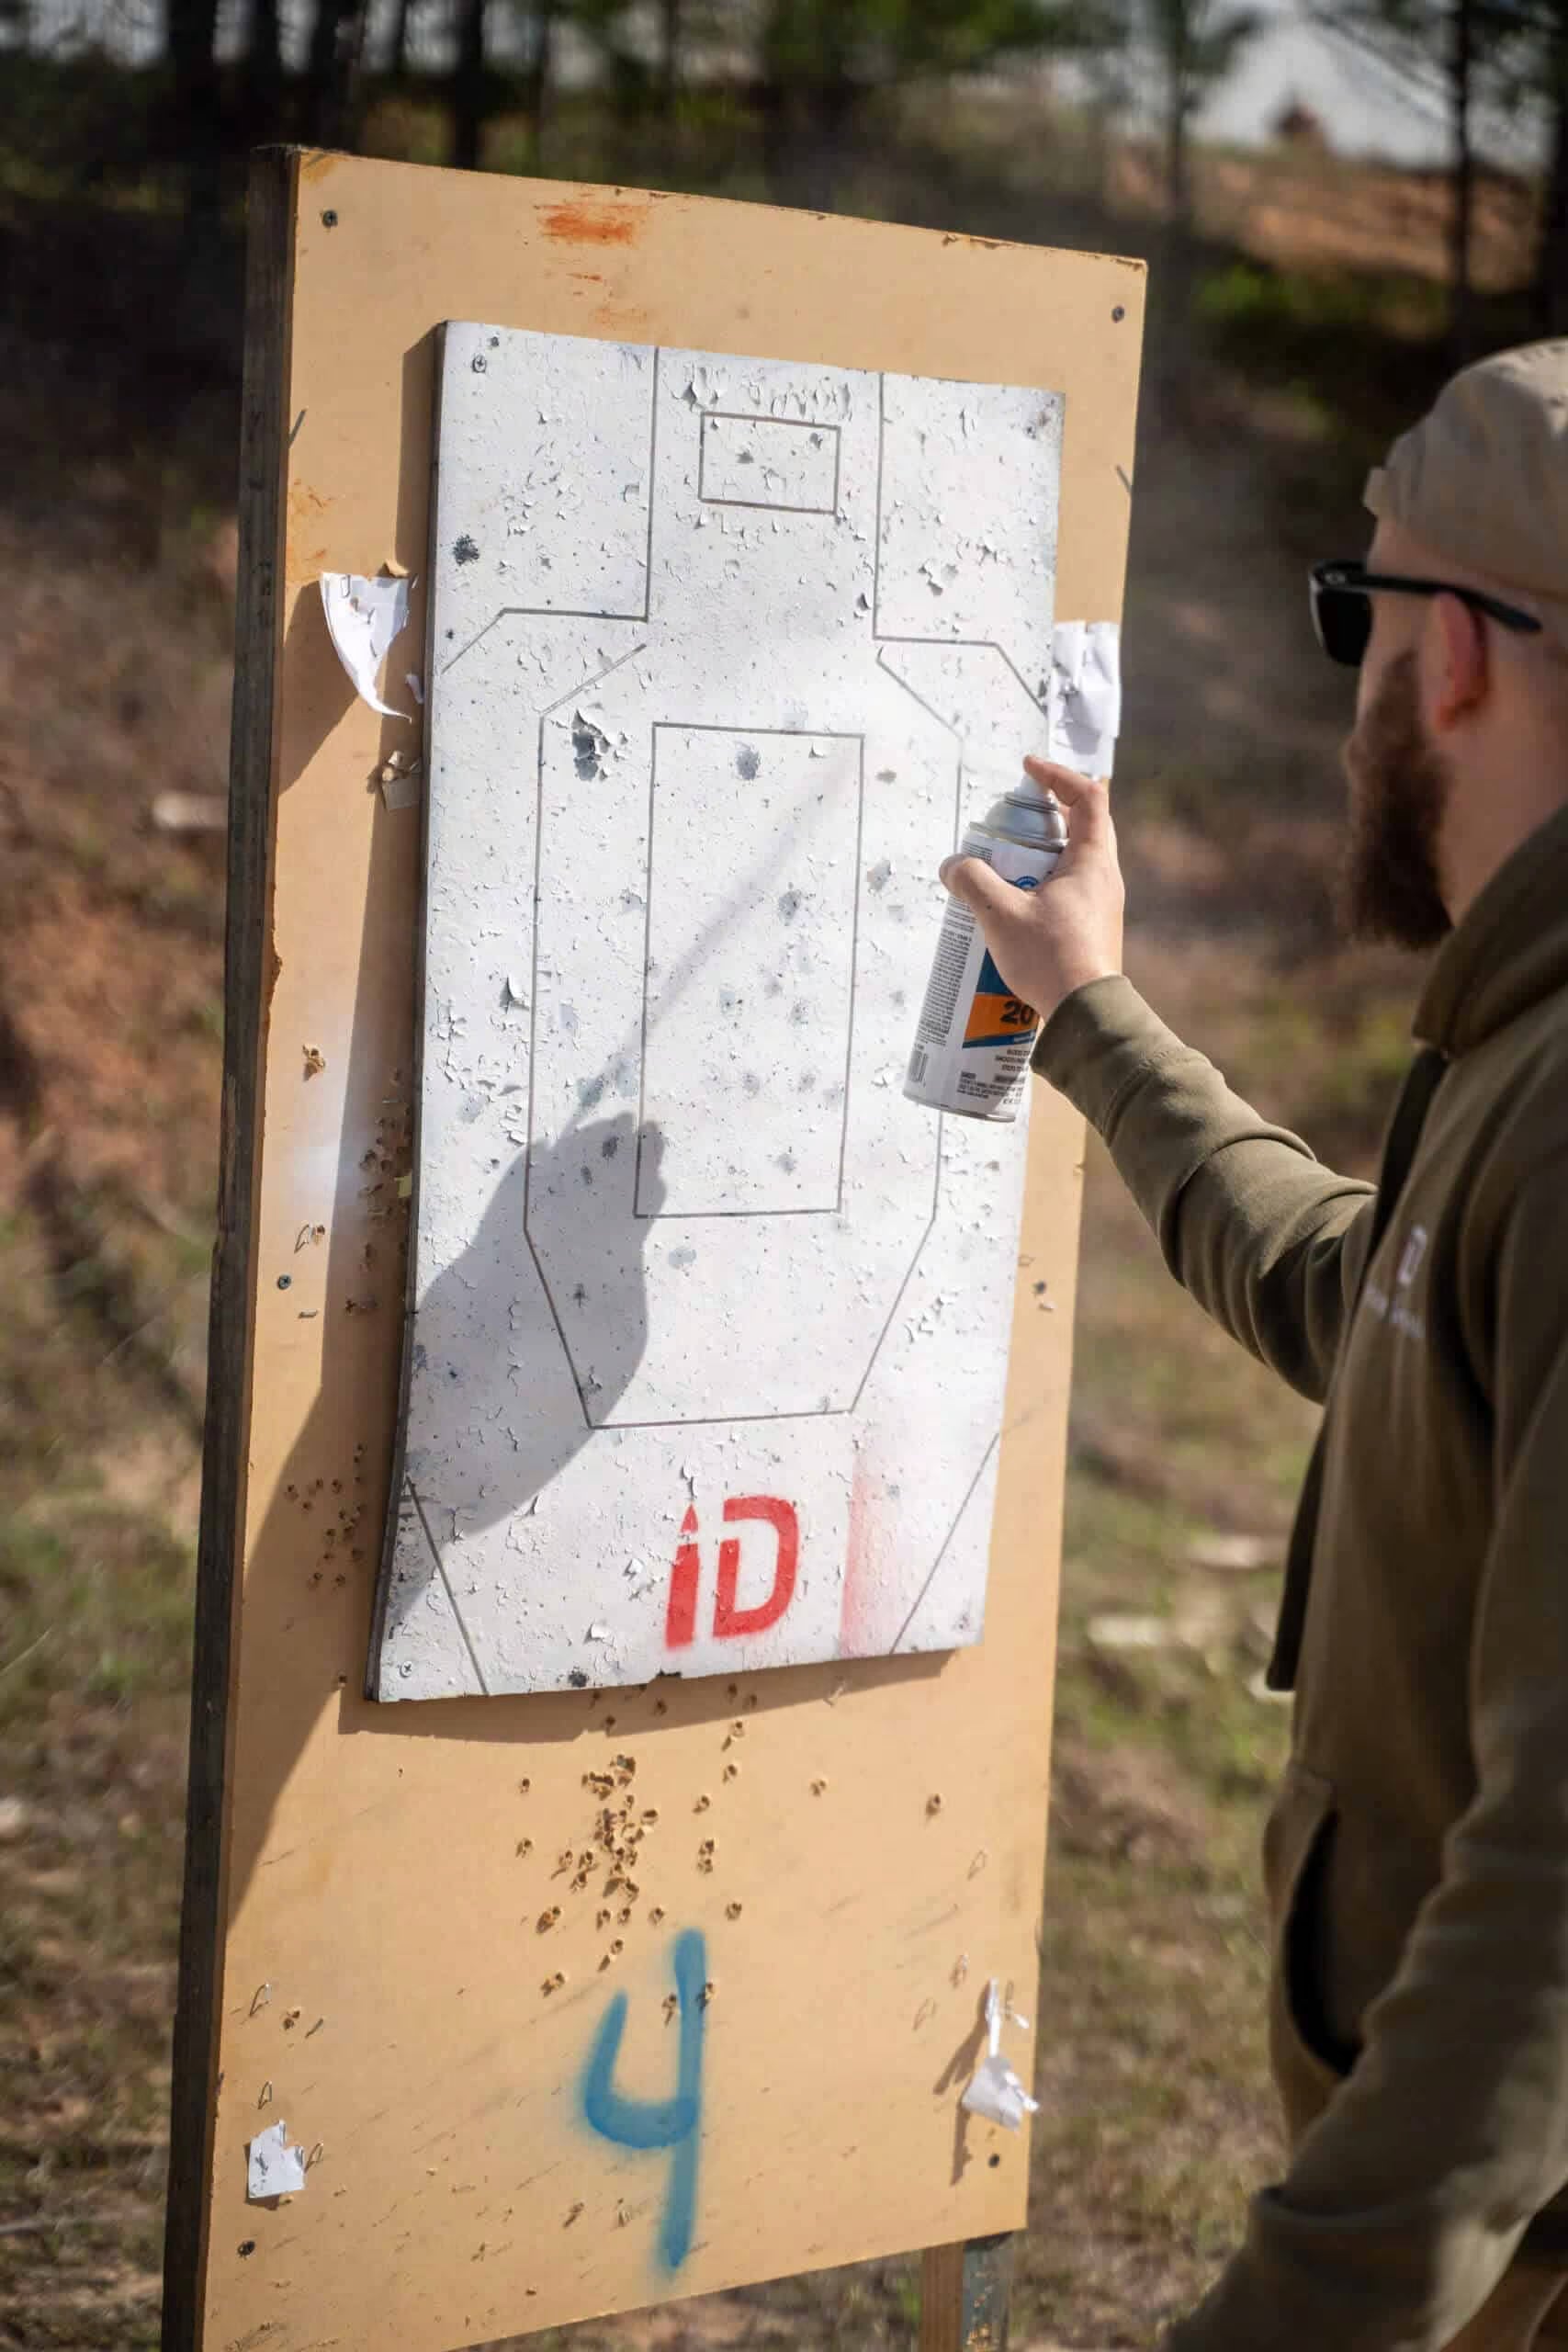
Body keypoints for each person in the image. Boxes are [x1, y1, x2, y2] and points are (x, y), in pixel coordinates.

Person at [940, 339, 1568, 2352]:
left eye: (1349, 613)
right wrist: (1087, 1012)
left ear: (1450, 651)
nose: (1349, 682)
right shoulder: (1523, 1037)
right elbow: (1355, 1293)